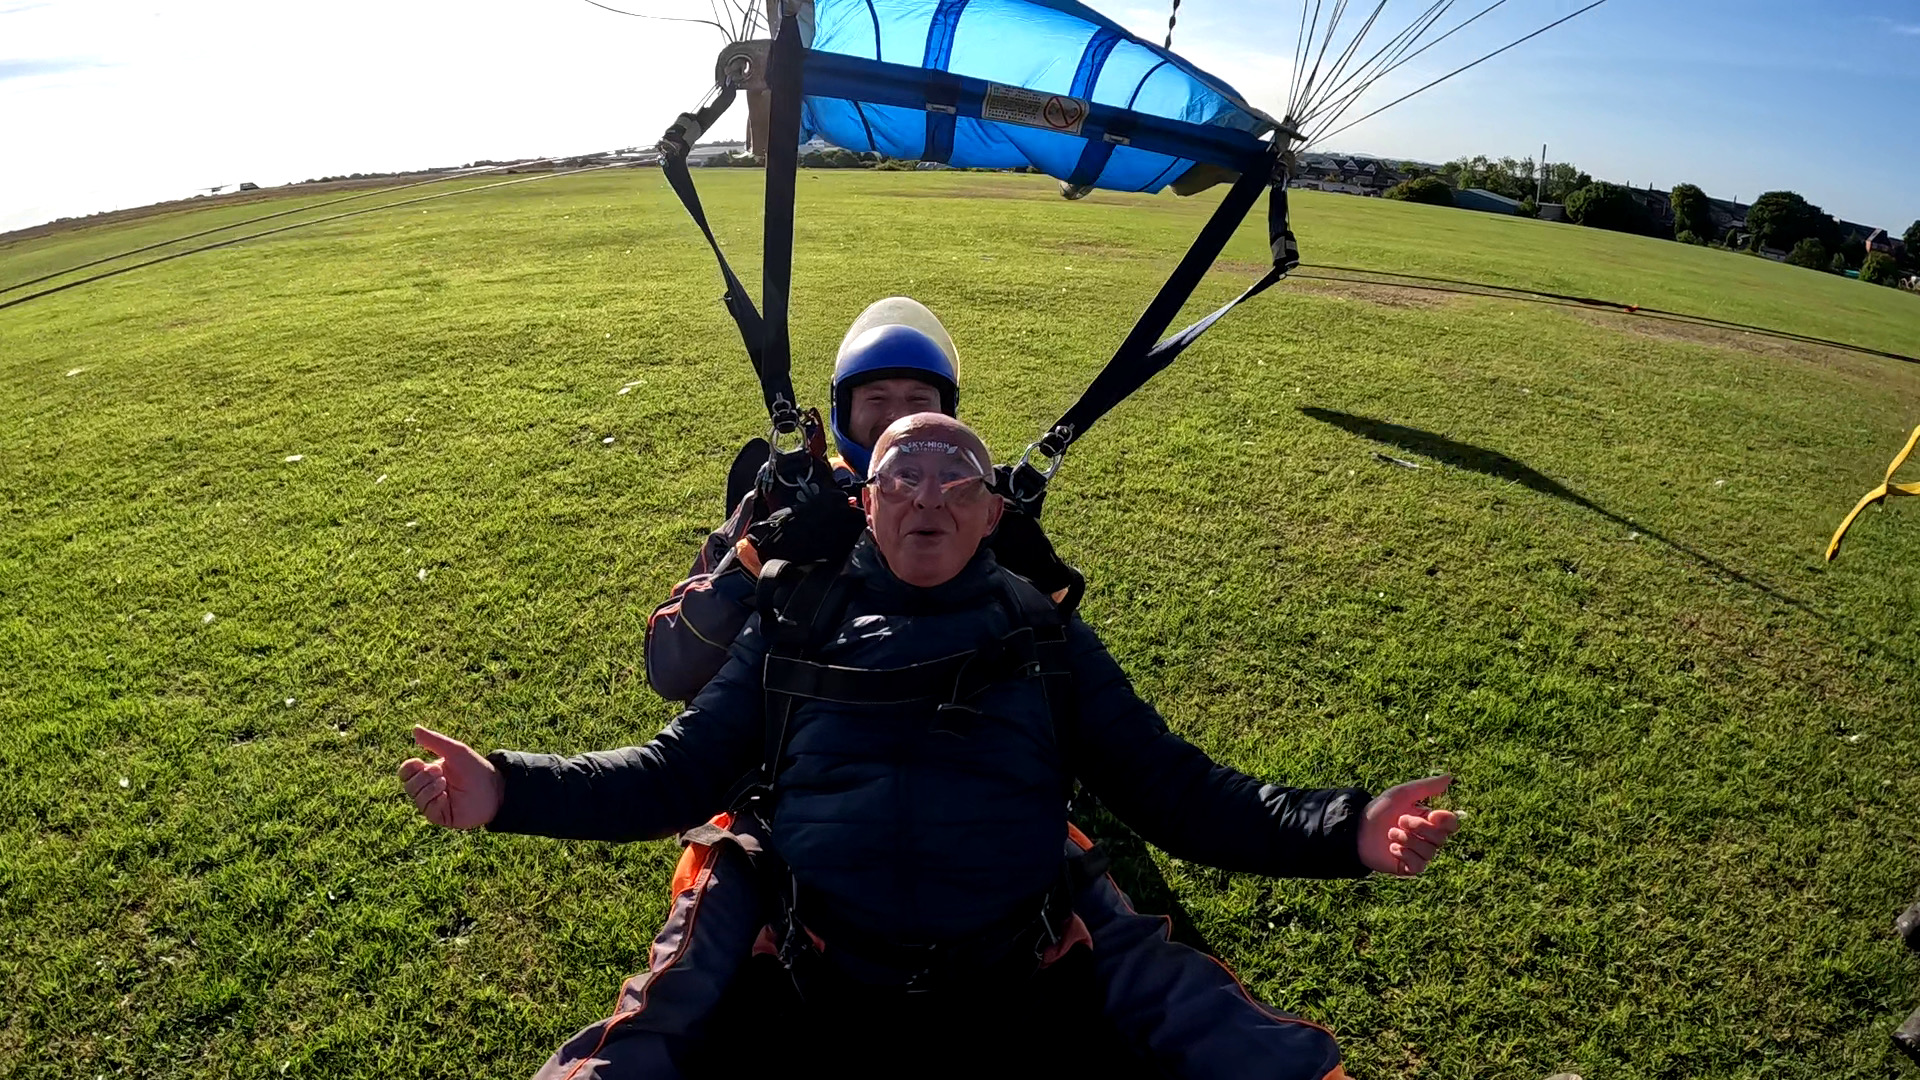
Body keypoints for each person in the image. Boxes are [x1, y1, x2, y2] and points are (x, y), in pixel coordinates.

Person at [400, 413, 1461, 1078]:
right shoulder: (793, 617)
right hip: (816, 951)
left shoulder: (1044, 634)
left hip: (1019, 945)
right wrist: (507, 789)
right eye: (901, 475)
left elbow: (1176, 791)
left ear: (992, 515)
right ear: (863, 504)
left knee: (1208, 1018)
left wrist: (1350, 827)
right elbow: (675, 772)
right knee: (667, 993)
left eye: (957, 478)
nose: (927, 496)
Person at [644, 297, 960, 702]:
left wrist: (1042, 580)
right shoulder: (787, 497)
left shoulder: (973, 505)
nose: (897, 416)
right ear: (844, 410)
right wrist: (758, 561)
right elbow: (669, 667)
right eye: (876, 399)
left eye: (919, 400)